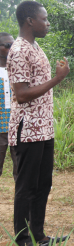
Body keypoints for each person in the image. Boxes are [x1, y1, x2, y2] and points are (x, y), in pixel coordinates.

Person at [7, 1, 70, 246]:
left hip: (43, 128)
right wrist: (57, 78)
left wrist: (55, 76)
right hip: (27, 129)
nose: (48, 23)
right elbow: (21, 94)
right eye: (44, 19)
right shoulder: (19, 50)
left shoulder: (36, 46)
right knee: (26, 187)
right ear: (30, 21)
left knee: (43, 184)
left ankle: (38, 235)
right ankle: (23, 239)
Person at [0, 33, 17, 182]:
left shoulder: (18, 70)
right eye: (8, 46)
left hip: (17, 127)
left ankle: (24, 204)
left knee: (21, 170)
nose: (12, 49)